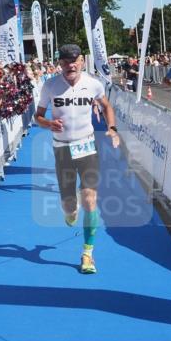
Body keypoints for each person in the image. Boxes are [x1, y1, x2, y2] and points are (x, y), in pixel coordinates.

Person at [35, 44, 119, 275]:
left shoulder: (93, 84)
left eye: (74, 61)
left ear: (82, 61)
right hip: (62, 149)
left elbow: (106, 106)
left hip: (87, 146)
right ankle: (70, 210)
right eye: (65, 62)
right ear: (59, 64)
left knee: (90, 200)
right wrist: (48, 123)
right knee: (70, 206)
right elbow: (38, 116)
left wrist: (112, 128)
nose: (70, 65)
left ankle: (87, 254)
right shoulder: (50, 86)